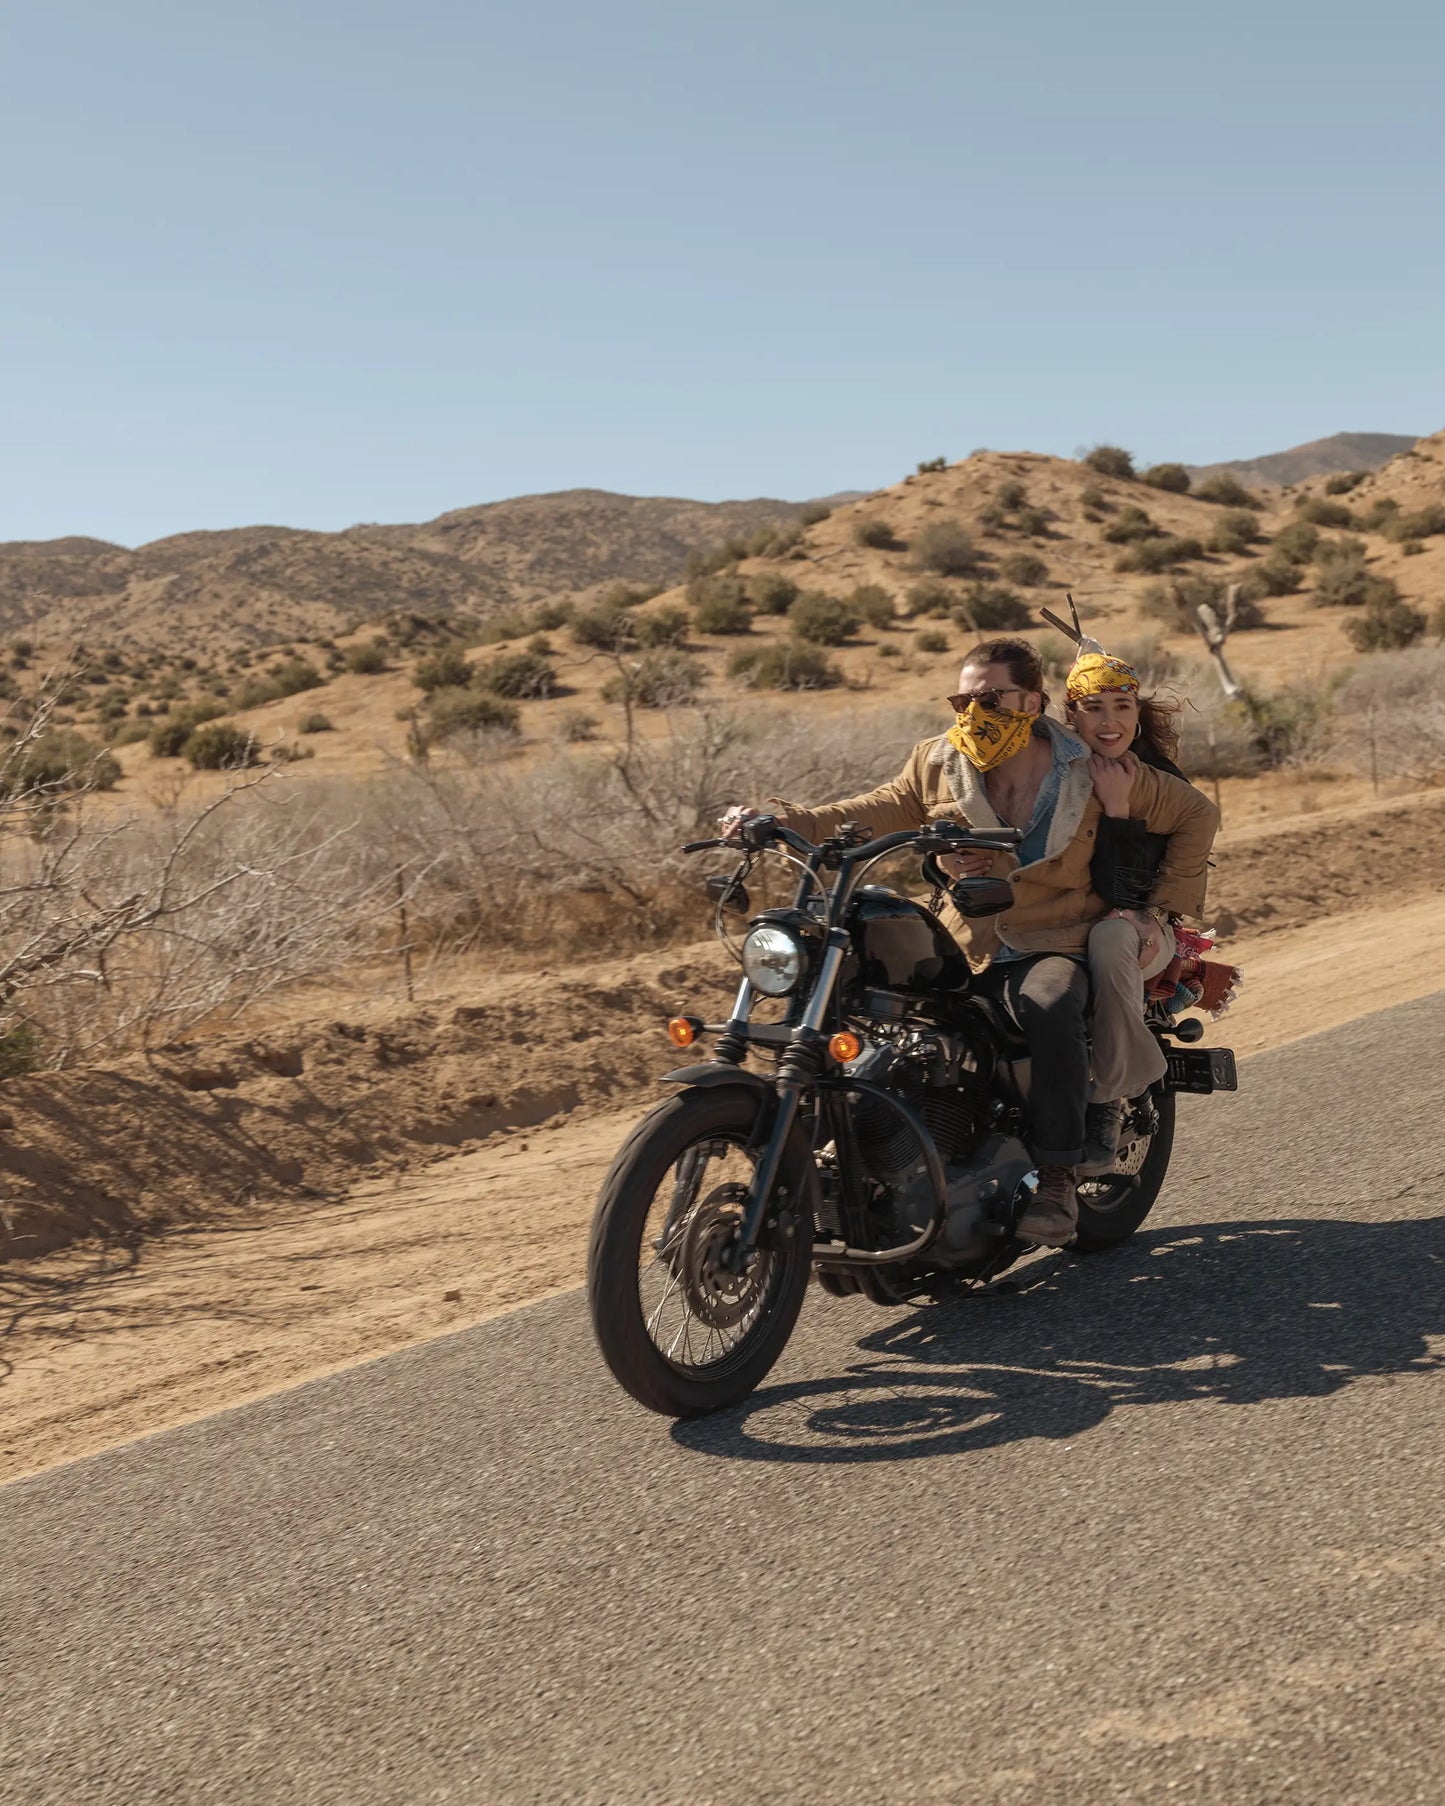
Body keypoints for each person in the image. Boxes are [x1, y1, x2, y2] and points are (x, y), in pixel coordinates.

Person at [724, 635, 1219, 1247]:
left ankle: (1059, 1177)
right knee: (863, 983)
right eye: (964, 700)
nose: (974, 711)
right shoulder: (939, 759)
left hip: (1053, 938)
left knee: (1051, 999)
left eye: (992, 697)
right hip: (965, 935)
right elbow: (879, 806)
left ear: (1035, 702)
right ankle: (846, 1148)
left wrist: (1160, 910)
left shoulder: (1091, 768)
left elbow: (1197, 814)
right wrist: (780, 824)